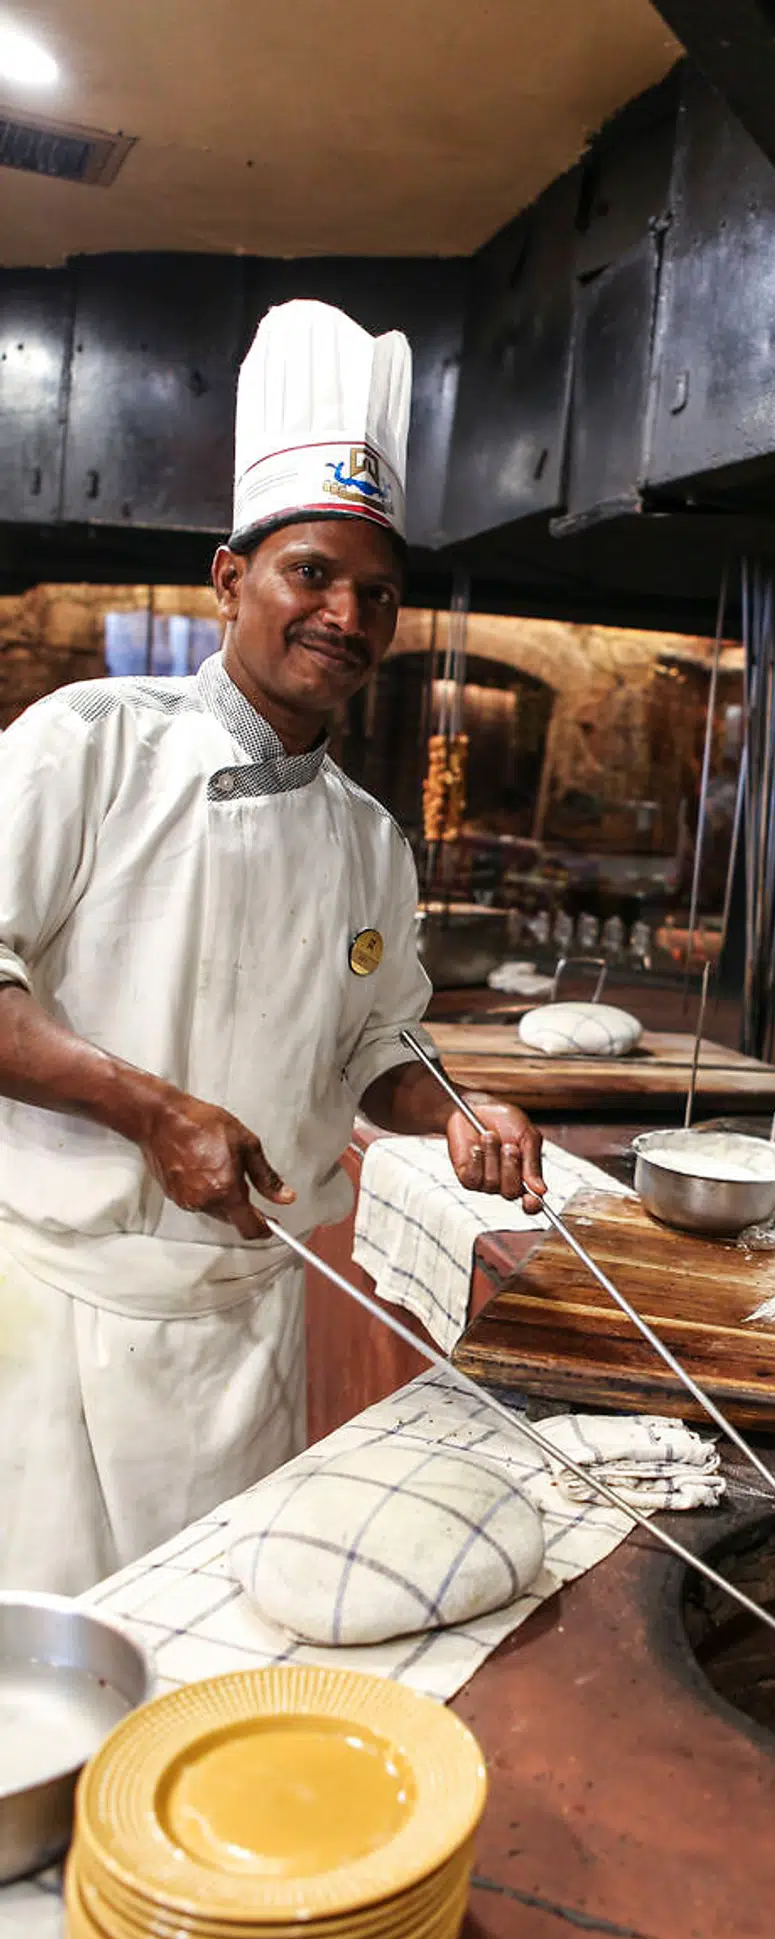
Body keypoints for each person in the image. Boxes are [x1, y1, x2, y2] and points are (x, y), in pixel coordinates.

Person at [0, 299, 544, 1595]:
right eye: (312, 575)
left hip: (250, 1320)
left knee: (223, 1650)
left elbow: (374, 1047)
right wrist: (152, 1112)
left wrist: (456, 1109)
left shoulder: (368, 839)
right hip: (59, 1315)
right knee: (54, 1662)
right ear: (229, 578)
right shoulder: (89, 744)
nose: (346, 615)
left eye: (378, 596)